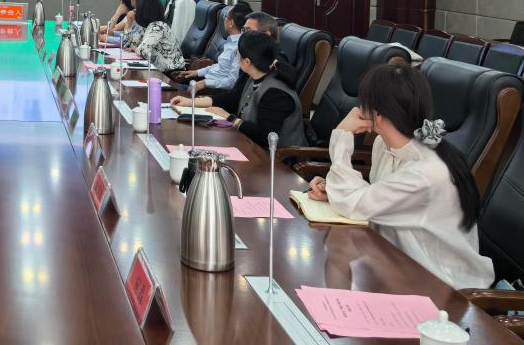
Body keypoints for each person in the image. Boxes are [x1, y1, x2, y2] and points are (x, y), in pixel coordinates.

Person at [307, 64, 493, 290]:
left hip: (443, 287)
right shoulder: (384, 145)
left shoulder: (426, 173)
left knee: (333, 256)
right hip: (397, 262)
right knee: (338, 250)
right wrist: (334, 190)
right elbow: (377, 200)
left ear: (377, 115)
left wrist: (341, 135)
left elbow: (356, 204)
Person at [172, 30, 307, 148]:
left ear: (247, 62)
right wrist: (190, 102)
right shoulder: (254, 75)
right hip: (249, 144)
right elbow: (231, 99)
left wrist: (230, 118)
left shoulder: (276, 93)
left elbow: (265, 136)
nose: (236, 57)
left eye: (238, 53)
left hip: (276, 160)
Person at [172, 8, 244, 93]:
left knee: (170, 90)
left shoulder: (239, 48)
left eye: (225, 16)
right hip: (205, 82)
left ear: (231, 23)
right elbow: (220, 67)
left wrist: (205, 83)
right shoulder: (230, 42)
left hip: (213, 90)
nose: (224, 20)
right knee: (169, 85)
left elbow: (231, 82)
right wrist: (197, 72)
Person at [130, 0, 187, 72]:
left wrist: (135, 48)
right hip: (160, 69)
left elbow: (143, 52)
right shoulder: (147, 26)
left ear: (144, 11)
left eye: (137, 8)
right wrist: (129, 22)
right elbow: (132, 43)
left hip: (172, 73)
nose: (134, 11)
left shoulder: (158, 27)